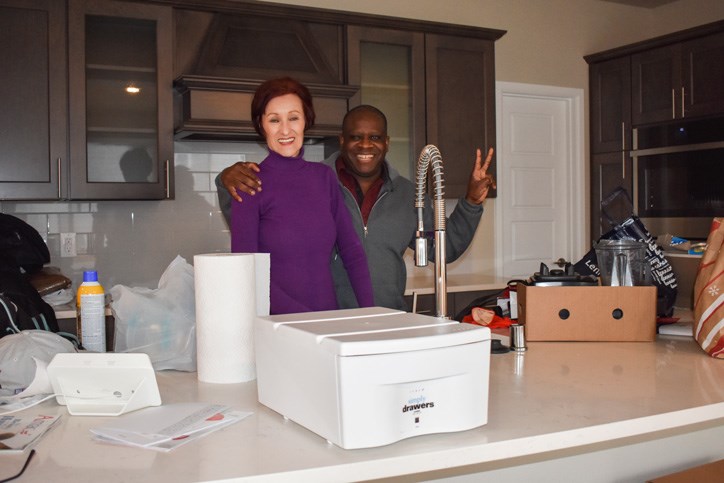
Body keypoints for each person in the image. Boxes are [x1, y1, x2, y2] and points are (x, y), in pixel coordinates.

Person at [218, 104, 495, 311]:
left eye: (374, 137)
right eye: (355, 137)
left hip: (385, 321)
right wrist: (225, 180)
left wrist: (470, 203)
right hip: (322, 321)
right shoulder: (311, 185)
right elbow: (252, 234)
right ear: (342, 141)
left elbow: (442, 249)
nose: (365, 145)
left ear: (386, 143)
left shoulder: (409, 194)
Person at [230, 78, 374, 315]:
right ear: (261, 124)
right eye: (274, 120)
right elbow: (246, 273)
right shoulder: (249, 183)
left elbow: (352, 252)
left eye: (294, 118)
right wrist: (302, 322)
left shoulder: (324, 178)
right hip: (280, 327)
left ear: (306, 120)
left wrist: (372, 313)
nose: (285, 130)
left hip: (327, 323)